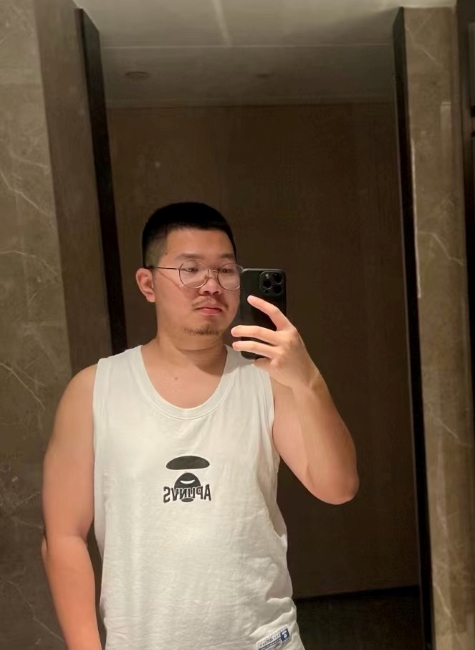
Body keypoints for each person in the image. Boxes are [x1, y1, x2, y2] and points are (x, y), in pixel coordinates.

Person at [41, 202, 359, 650]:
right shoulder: (94, 390)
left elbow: (338, 487)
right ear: (148, 283)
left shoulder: (268, 380)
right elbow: (63, 536)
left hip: (265, 640)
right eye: (190, 270)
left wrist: (308, 380)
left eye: (226, 271)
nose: (211, 285)